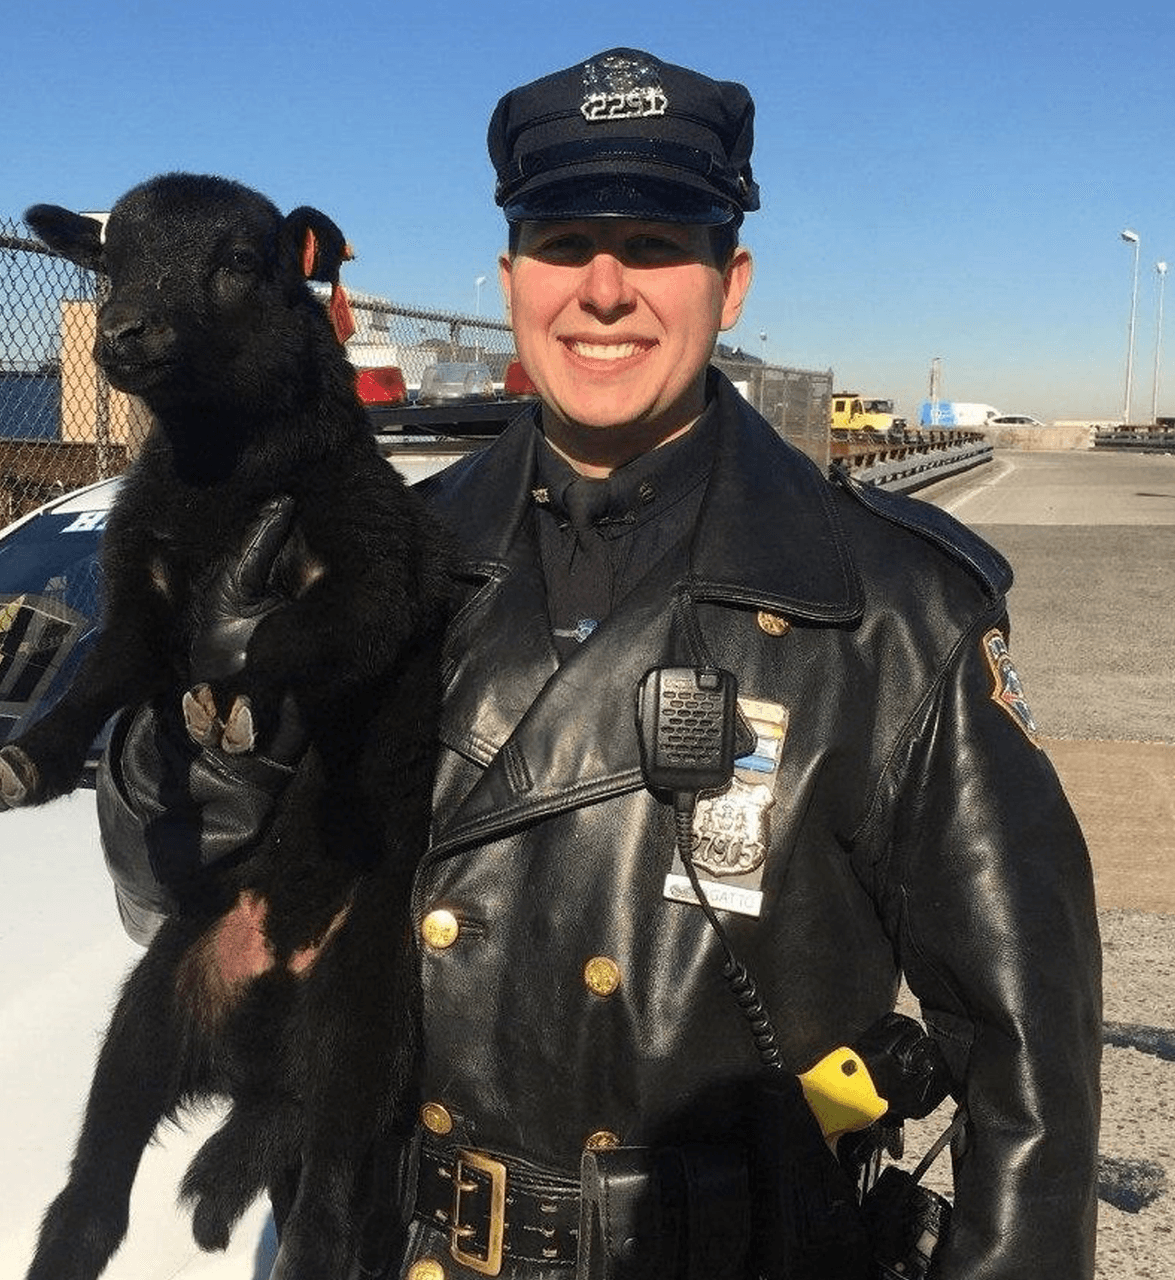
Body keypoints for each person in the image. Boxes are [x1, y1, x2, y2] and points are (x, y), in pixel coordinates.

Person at [99, 48, 1102, 1280]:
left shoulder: (892, 610)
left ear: (728, 282)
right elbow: (176, 890)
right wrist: (204, 747)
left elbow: (1025, 1052)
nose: (605, 289)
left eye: (657, 239)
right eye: (565, 240)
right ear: (513, 276)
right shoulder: (365, 554)